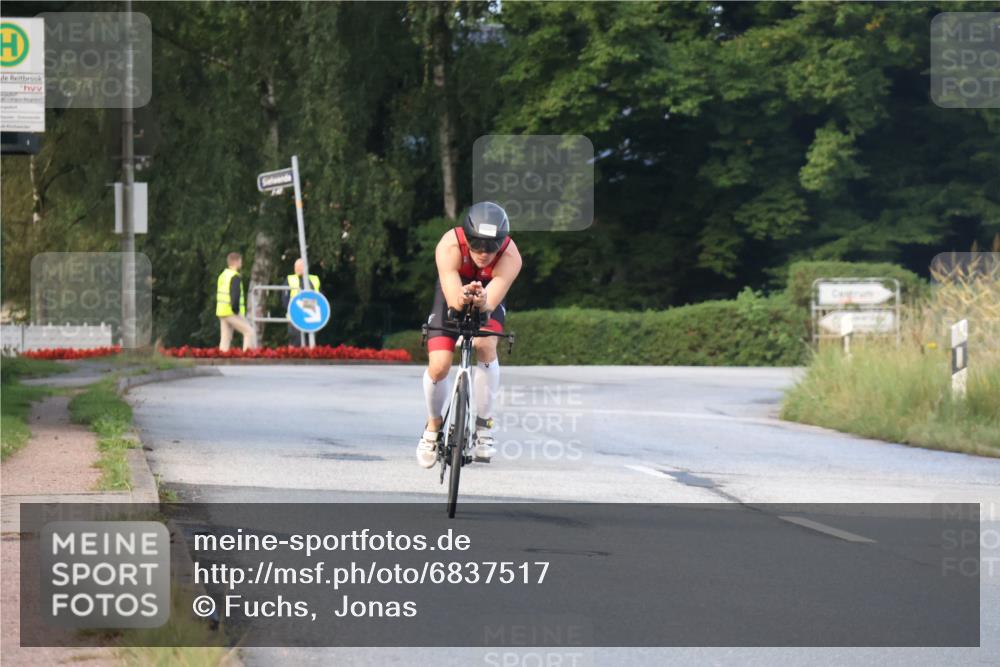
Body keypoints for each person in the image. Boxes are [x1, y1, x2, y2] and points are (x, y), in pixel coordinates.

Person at [416, 202, 522, 468]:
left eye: (491, 246)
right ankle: (433, 424)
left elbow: (490, 302)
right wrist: (463, 298)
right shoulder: (449, 245)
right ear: (466, 237)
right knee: (439, 366)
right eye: (476, 244)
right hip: (454, 290)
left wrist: (483, 300)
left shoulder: (511, 256)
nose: (484, 253)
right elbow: (453, 298)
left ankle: (484, 425)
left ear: (502, 242)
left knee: (486, 344)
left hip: (489, 292)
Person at [216, 252, 256, 351]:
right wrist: (236, 310)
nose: (241, 263)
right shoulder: (235, 276)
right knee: (249, 332)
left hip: (222, 311)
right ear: (236, 262)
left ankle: (222, 358)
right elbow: (235, 294)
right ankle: (247, 357)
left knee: (225, 338)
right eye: (240, 261)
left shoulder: (223, 275)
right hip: (231, 311)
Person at [281, 258, 321, 347]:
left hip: (312, 315)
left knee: (310, 340)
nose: (297, 269)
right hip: (294, 315)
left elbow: (320, 298)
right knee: (295, 340)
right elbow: (284, 299)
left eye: (300, 266)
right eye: (296, 266)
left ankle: (310, 359)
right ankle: (292, 359)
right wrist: (293, 310)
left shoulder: (314, 279)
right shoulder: (290, 279)